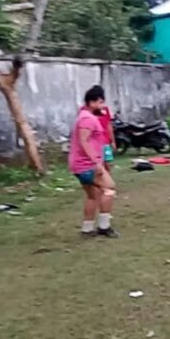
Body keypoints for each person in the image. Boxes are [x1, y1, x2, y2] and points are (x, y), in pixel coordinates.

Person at [68, 86, 119, 238]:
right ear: (92, 102)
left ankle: (87, 229)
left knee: (93, 195)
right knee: (109, 189)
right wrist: (97, 163)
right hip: (87, 165)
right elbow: (84, 142)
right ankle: (104, 226)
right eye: (100, 102)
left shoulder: (84, 116)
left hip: (79, 165)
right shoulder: (87, 119)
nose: (103, 106)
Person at [93, 86, 116, 169]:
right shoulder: (87, 111)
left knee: (106, 164)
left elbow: (108, 125)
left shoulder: (105, 109)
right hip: (94, 143)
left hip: (105, 142)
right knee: (97, 165)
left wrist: (112, 141)